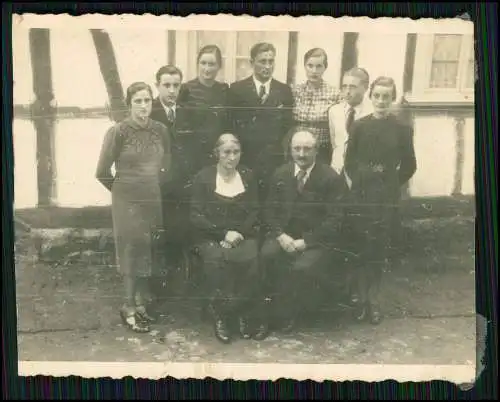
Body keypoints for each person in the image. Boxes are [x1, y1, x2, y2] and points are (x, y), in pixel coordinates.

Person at [95, 82, 172, 333]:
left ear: (153, 103)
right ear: (129, 104)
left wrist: (150, 185)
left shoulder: (161, 130)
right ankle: (127, 306)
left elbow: (166, 166)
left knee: (147, 247)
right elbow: (102, 172)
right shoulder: (117, 132)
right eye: (138, 101)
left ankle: (140, 303)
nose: (143, 106)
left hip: (152, 196)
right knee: (131, 249)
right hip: (126, 199)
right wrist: (122, 191)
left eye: (147, 100)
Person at [343, 76, 417, 325]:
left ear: (392, 98)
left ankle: (374, 302)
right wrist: (364, 179)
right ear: (370, 97)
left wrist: (390, 182)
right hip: (362, 196)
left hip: (385, 198)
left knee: (377, 250)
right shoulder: (359, 126)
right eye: (377, 95)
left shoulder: (401, 129)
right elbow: (349, 162)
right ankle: (360, 300)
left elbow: (409, 165)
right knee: (361, 247)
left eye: (387, 96)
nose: (381, 101)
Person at [260, 129, 347, 333]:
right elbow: (269, 210)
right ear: (290, 150)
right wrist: (280, 235)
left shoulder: (330, 178)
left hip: (315, 240)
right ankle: (267, 314)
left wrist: (306, 241)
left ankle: (290, 314)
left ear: (316, 151)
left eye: (307, 149)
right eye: (297, 148)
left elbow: (335, 219)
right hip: (284, 235)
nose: (301, 154)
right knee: (266, 255)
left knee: (302, 268)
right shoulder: (281, 173)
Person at [190, 134, 267, 344]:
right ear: (217, 153)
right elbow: (196, 215)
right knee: (216, 261)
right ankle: (221, 316)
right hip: (211, 235)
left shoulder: (248, 176)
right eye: (226, 152)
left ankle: (242, 313)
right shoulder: (203, 177)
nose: (231, 157)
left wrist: (238, 233)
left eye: (236, 152)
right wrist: (223, 233)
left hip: (243, 234)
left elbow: (255, 211)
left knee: (252, 260)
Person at [228, 42, 294, 201]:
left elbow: (287, 126)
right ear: (252, 63)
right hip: (245, 158)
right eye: (262, 61)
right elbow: (231, 125)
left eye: (271, 62)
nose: (267, 66)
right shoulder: (237, 89)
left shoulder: (284, 90)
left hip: (273, 160)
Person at [149, 65, 186, 273]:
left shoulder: (185, 112)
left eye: (176, 85)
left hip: (179, 183)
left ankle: (175, 277)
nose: (172, 91)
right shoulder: (150, 111)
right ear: (157, 86)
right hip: (156, 184)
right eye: (166, 85)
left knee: (177, 231)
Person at [177, 45, 231, 184]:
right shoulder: (185, 89)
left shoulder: (224, 90)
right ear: (197, 64)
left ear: (219, 66)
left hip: (217, 155)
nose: (207, 68)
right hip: (192, 155)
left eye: (212, 64)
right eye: (203, 63)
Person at [292, 48, 341, 165]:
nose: (314, 71)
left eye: (319, 66)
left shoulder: (335, 94)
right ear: (304, 66)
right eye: (310, 66)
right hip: (298, 149)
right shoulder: (295, 92)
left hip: (321, 150)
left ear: (325, 68)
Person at [328, 67, 373, 179]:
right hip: (337, 171)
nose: (347, 91)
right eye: (344, 86)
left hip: (362, 173)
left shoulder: (372, 112)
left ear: (365, 88)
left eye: (353, 87)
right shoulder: (334, 111)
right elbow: (335, 143)